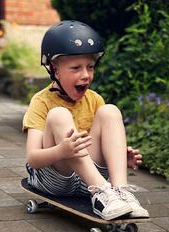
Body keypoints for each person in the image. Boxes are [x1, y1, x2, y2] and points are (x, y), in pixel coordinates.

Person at [23, 20, 149, 221]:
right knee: (59, 114)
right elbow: (33, 158)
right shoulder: (41, 101)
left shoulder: (94, 99)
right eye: (76, 68)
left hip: (87, 180)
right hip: (56, 178)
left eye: (90, 67)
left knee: (110, 111)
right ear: (55, 70)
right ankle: (102, 194)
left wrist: (116, 156)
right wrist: (61, 151)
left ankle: (120, 193)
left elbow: (99, 142)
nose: (85, 75)